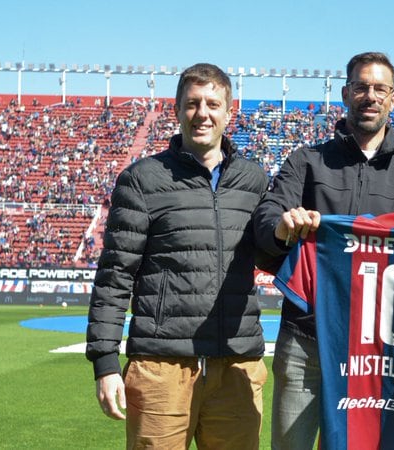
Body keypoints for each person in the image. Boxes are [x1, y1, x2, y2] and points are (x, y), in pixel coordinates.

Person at [252, 51, 394, 450]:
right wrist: (282, 225)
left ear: (393, 99)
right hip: (306, 341)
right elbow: (266, 218)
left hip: (377, 353)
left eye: (380, 88)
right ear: (346, 93)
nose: (370, 96)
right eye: (361, 87)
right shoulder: (306, 162)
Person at [86, 63, 269, 450]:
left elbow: (274, 255)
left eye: (213, 104)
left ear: (229, 111)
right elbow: (115, 275)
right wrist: (105, 361)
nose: (202, 113)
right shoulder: (142, 180)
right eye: (192, 103)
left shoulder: (254, 181)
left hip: (236, 364)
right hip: (162, 365)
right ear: (176, 110)